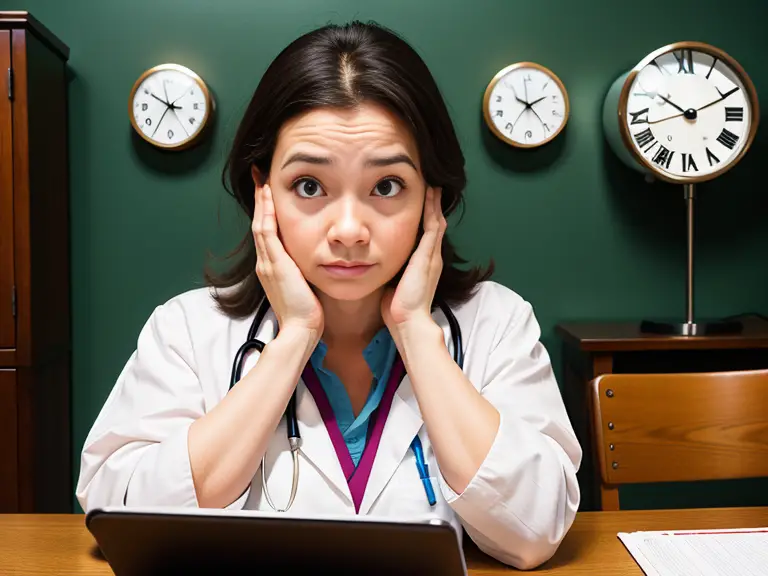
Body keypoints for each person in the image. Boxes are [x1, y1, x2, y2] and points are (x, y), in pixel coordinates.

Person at [76, 21, 581, 570]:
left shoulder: (496, 321)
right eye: (309, 186)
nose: (348, 230)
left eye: (386, 186)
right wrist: (294, 338)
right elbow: (121, 515)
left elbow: (537, 529)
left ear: (432, 197)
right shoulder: (188, 329)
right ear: (261, 192)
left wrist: (415, 329)